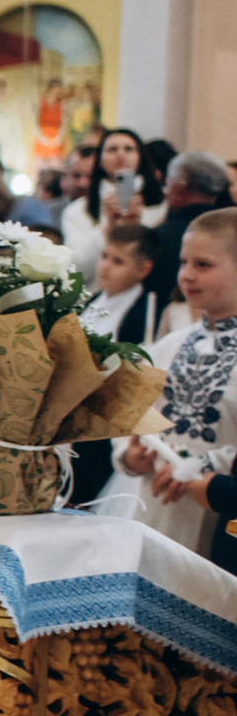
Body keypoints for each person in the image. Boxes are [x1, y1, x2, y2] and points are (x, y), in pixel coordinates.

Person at [119, 210, 237, 548]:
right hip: (154, 505)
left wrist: (205, 466)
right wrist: (130, 455)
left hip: (217, 516)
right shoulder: (169, 345)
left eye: (203, 265)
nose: (186, 275)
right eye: (184, 262)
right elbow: (133, 417)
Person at [68, 223, 164, 507]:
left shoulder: (145, 312)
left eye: (118, 261)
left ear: (143, 269)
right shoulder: (92, 301)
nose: (105, 267)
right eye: (104, 256)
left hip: (104, 429)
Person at [63, 127, 166, 279]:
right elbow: (77, 267)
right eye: (112, 149)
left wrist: (136, 226)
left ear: (140, 157)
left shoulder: (160, 205)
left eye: (129, 149)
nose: (120, 154)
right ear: (100, 160)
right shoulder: (78, 210)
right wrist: (107, 228)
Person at [156, 151, 233, 299]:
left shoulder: (157, 238)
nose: (165, 191)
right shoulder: (231, 235)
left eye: (167, 184)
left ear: (179, 189)